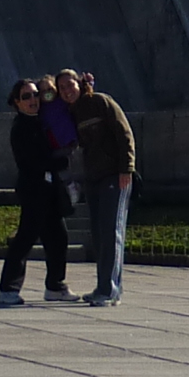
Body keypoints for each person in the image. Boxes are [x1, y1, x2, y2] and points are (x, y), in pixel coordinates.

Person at [61, 68, 136, 308]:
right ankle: (104, 286)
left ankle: (110, 290)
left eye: (70, 85)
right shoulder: (70, 113)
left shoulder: (100, 102)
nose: (67, 91)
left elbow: (124, 133)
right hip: (92, 178)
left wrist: (127, 168)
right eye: (61, 88)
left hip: (114, 175)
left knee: (111, 231)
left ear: (79, 83)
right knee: (99, 234)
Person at [0, 80, 74, 307]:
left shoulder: (40, 122)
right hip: (33, 190)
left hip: (47, 188)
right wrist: (58, 161)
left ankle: (55, 286)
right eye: (27, 96)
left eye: (35, 95)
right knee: (25, 238)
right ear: (17, 102)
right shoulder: (21, 126)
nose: (33, 100)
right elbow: (31, 161)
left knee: (58, 238)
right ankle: (8, 289)